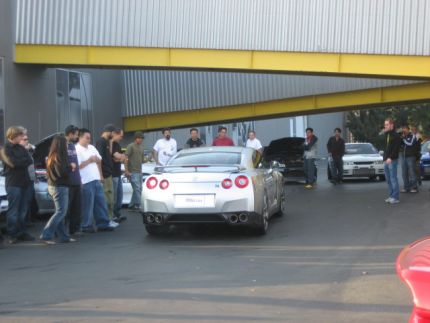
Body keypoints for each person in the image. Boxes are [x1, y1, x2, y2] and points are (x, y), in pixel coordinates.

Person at [75, 129, 117, 233]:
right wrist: (89, 160)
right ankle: (86, 225)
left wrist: (101, 175)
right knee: (87, 204)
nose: (89, 140)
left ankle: (103, 223)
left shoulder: (92, 147)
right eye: (87, 138)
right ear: (80, 137)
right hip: (86, 180)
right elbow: (77, 166)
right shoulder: (77, 150)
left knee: (100, 202)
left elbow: (99, 160)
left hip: (96, 178)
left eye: (89, 138)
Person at [1, 126, 35, 244]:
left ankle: (21, 232)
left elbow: (29, 160)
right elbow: (13, 164)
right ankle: (12, 234)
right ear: (14, 135)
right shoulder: (6, 148)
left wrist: (20, 162)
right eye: (20, 135)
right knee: (14, 210)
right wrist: (22, 161)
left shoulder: (21, 148)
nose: (22, 137)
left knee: (23, 209)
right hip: (13, 183)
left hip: (24, 182)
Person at [40, 135, 76, 244]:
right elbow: (62, 172)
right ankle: (46, 235)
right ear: (61, 144)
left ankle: (64, 236)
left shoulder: (53, 155)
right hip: (60, 186)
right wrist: (71, 166)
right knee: (61, 212)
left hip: (54, 186)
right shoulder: (60, 156)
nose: (67, 144)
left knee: (59, 212)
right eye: (65, 143)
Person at [64, 125, 82, 235]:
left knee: (76, 207)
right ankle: (63, 231)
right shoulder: (62, 146)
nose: (76, 136)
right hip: (67, 182)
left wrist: (79, 180)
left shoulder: (72, 146)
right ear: (70, 134)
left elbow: (76, 163)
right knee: (66, 208)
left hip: (76, 180)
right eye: (75, 134)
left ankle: (74, 229)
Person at [96, 124, 115, 220]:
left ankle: (110, 218)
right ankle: (107, 219)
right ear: (110, 132)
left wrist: (110, 142)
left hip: (108, 173)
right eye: (113, 133)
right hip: (105, 174)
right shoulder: (101, 142)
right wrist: (101, 175)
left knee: (110, 197)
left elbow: (109, 155)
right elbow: (99, 159)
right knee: (107, 198)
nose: (113, 135)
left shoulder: (106, 142)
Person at [19, 133, 38, 226]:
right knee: (25, 201)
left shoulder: (28, 152)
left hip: (30, 179)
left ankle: (28, 220)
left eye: (27, 139)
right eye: (25, 139)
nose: (27, 141)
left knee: (30, 200)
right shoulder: (20, 151)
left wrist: (35, 177)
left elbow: (34, 150)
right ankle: (24, 222)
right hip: (24, 180)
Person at [383, 118, 401, 204]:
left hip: (392, 160)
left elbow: (395, 149)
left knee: (393, 178)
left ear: (391, 125)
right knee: (388, 179)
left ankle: (395, 197)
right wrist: (385, 158)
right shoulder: (387, 134)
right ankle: (391, 196)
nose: (385, 126)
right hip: (386, 160)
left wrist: (390, 157)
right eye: (385, 124)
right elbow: (386, 148)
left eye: (386, 124)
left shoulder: (396, 135)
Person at [125, 131, 145, 210]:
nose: (141, 140)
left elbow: (143, 160)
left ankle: (131, 205)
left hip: (139, 172)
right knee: (137, 189)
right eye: (139, 138)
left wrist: (149, 158)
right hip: (132, 172)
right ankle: (140, 205)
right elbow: (126, 158)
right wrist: (126, 171)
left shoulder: (142, 148)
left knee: (138, 189)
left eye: (142, 138)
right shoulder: (131, 146)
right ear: (136, 138)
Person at [111, 128, 127, 220]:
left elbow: (122, 158)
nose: (121, 138)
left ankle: (117, 213)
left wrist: (119, 157)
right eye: (120, 136)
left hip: (118, 173)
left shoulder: (117, 144)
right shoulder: (111, 144)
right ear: (115, 134)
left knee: (119, 195)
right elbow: (117, 157)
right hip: (113, 174)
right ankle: (112, 215)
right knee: (114, 196)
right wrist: (120, 157)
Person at [400, 125, 418, 193]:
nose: (403, 130)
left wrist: (403, 139)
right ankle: (406, 187)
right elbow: (400, 144)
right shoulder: (404, 137)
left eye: (404, 129)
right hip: (403, 156)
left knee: (412, 172)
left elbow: (410, 143)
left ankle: (414, 187)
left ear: (408, 129)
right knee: (404, 173)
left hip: (411, 157)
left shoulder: (412, 136)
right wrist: (401, 139)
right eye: (402, 129)